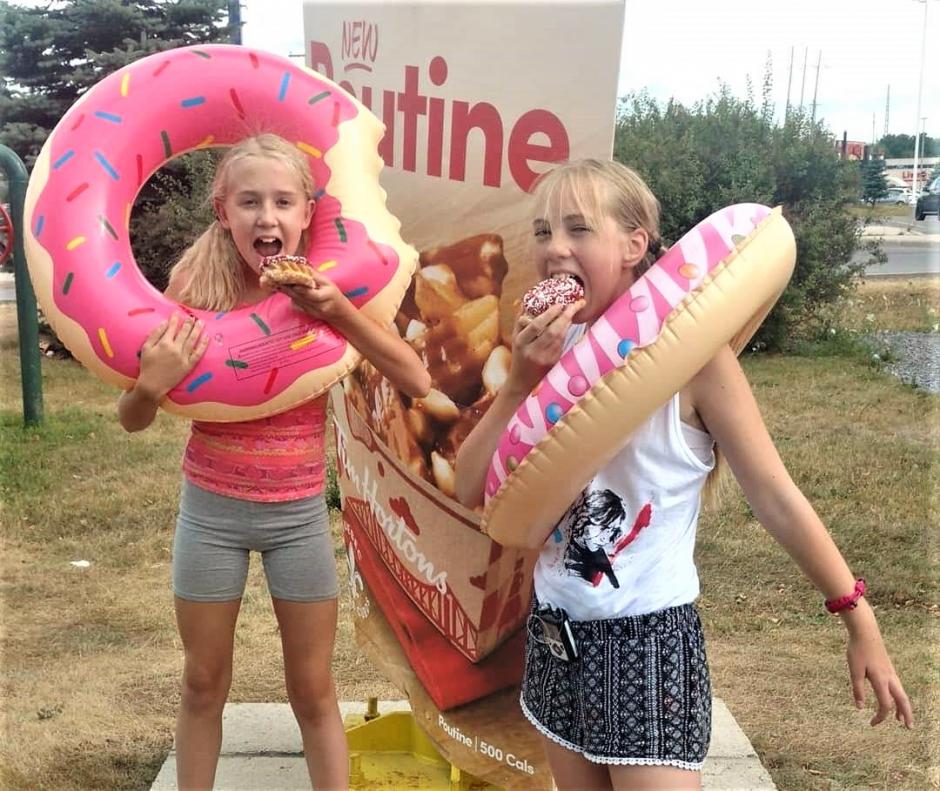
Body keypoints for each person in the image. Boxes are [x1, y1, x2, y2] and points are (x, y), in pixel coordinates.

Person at [454, 159, 913, 791]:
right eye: (542, 231)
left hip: (646, 642)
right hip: (555, 631)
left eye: (579, 229)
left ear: (634, 244)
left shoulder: (697, 361)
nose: (555, 248)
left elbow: (774, 495)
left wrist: (858, 617)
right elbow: (470, 486)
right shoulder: (544, 350)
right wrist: (519, 387)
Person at [118, 133, 430, 791]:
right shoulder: (191, 285)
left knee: (313, 686)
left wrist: (336, 309)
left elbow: (414, 377)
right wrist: (150, 384)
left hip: (297, 517)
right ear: (223, 211)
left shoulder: (327, 288)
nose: (268, 217)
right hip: (211, 513)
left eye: (284, 201)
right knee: (204, 679)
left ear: (307, 212)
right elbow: (133, 415)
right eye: (250, 201)